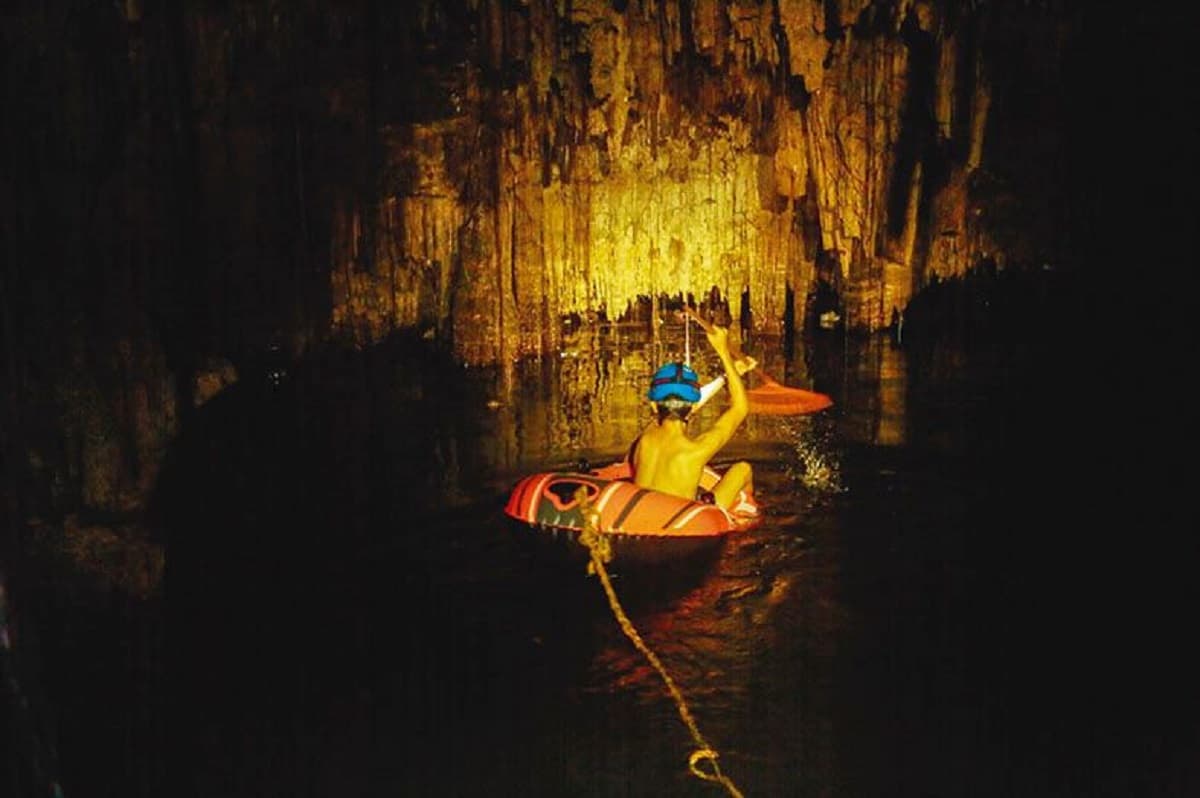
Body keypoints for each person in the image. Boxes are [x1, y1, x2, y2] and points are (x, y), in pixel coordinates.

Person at [630, 320, 754, 511]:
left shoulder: (645, 440)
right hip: (682, 525)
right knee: (743, 469)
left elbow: (679, 406)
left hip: (639, 519)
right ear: (694, 405)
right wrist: (723, 351)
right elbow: (740, 408)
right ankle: (747, 515)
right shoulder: (696, 451)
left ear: (654, 405)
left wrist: (725, 378)